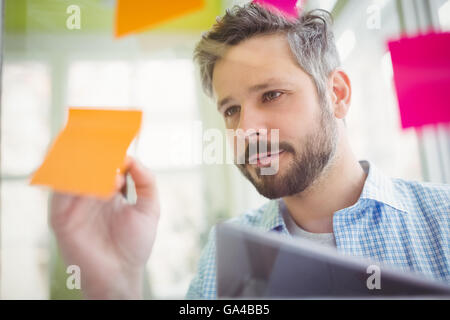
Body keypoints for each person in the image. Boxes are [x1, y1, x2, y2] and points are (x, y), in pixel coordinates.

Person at [50, 3, 450, 300]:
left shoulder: (443, 221)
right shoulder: (224, 256)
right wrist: (117, 283)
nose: (246, 130)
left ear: (338, 94)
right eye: (231, 110)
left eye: (272, 94)